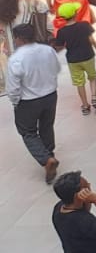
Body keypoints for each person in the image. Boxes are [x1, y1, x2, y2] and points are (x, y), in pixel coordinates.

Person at [7, 19, 62, 183]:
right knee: (46, 126)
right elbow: (57, 69)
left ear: (19, 39)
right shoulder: (47, 50)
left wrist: (15, 102)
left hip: (28, 100)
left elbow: (13, 87)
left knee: (28, 132)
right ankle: (49, 153)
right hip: (50, 95)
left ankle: (46, 159)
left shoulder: (16, 59)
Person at [54, 2, 96, 116]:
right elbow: (91, 40)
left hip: (73, 59)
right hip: (88, 56)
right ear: (75, 14)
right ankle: (94, 97)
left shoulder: (61, 31)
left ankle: (85, 105)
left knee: (79, 83)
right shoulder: (84, 25)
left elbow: (59, 46)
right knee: (92, 77)